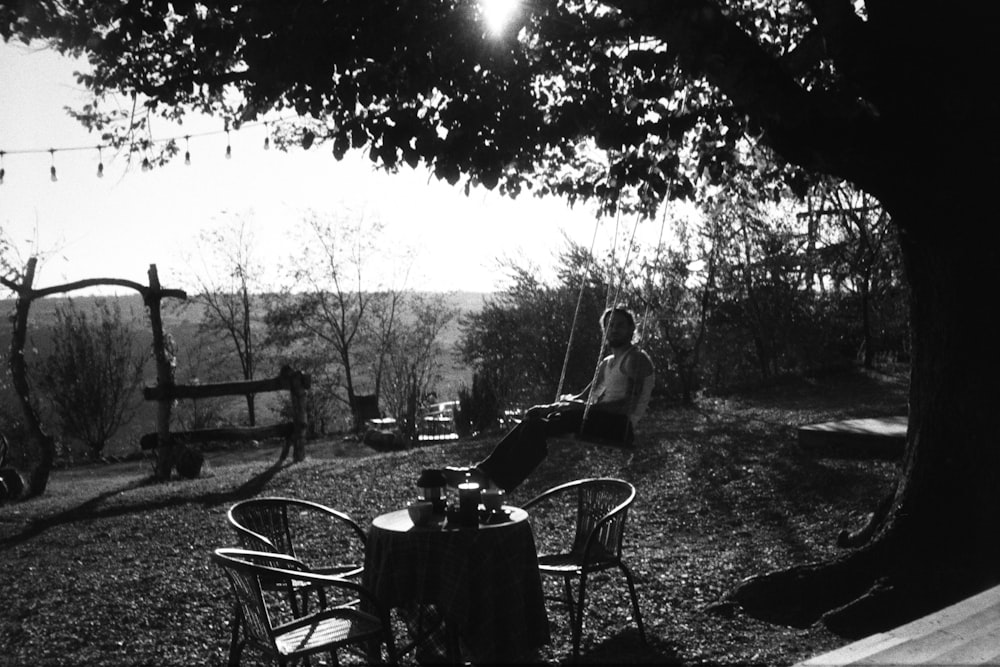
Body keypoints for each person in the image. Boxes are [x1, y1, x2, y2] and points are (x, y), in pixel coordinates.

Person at [444, 306, 655, 492]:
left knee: (539, 427)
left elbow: (626, 406)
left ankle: (498, 483)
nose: (614, 329)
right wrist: (548, 408)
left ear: (631, 329)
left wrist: (583, 409)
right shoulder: (608, 362)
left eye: (620, 325)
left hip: (620, 426)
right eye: (609, 325)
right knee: (533, 420)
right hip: (598, 418)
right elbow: (585, 397)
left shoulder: (636, 359)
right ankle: (482, 472)